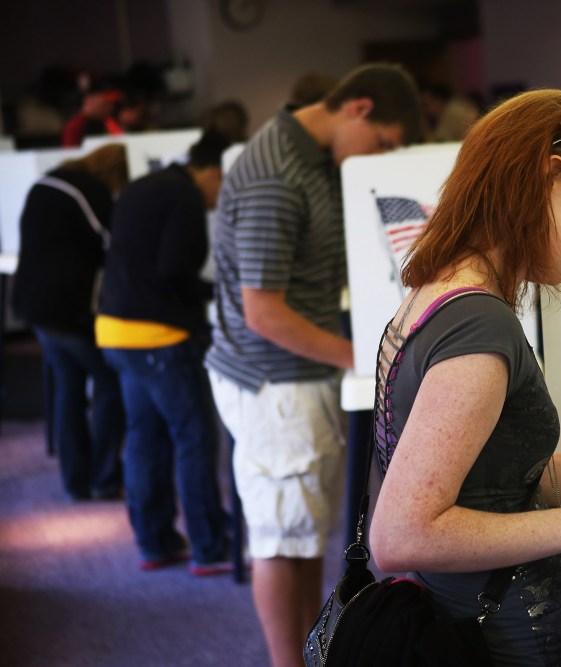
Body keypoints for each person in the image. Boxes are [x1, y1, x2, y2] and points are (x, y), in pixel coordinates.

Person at [367, 89, 561, 667]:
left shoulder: (439, 295)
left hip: (480, 625)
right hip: (516, 643)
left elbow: (505, 480)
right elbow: (401, 536)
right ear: (547, 178)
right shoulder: (480, 324)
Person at [205, 62, 423, 667]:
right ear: (357, 108)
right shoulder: (276, 173)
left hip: (297, 376)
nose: (378, 156)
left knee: (302, 537)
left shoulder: (316, 164)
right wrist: (364, 359)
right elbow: (264, 313)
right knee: (280, 540)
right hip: (274, 382)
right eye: (381, 141)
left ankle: (303, 655)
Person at [95, 130, 234, 575]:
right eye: (223, 184)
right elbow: (174, 268)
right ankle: (209, 547)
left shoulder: (143, 185)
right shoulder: (185, 197)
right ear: (211, 173)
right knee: (193, 438)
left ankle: (154, 542)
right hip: (159, 337)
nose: (220, 198)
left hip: (114, 330)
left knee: (144, 438)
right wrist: (212, 292)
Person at [11, 143, 128, 501]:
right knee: (109, 384)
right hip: (70, 310)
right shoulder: (90, 193)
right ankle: (105, 475)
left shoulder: (45, 184)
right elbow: (115, 244)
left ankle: (75, 481)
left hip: (35, 306)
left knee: (69, 389)